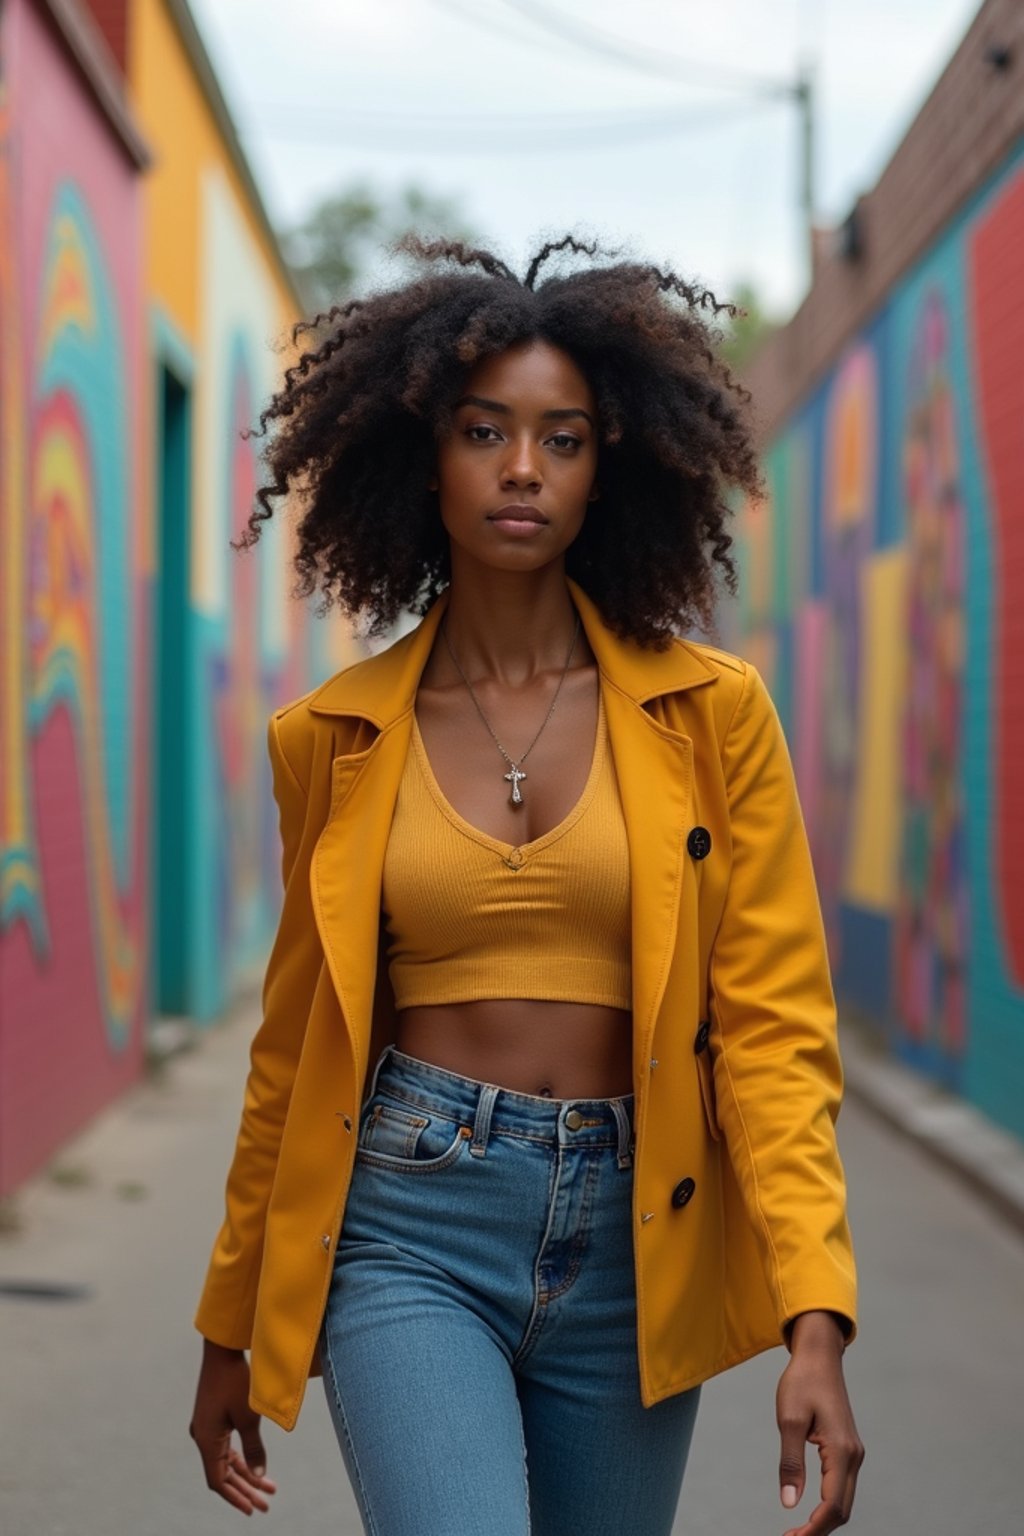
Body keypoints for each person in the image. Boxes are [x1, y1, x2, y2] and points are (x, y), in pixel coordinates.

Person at [189, 236, 863, 1536]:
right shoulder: (332, 740)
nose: (519, 468)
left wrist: (815, 1314)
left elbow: (775, 1035)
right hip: (410, 1221)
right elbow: (294, 1055)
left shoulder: (713, 721)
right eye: (483, 430)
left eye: (562, 438)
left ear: (611, 467)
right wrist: (231, 1322)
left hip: (638, 1232)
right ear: (418, 455)